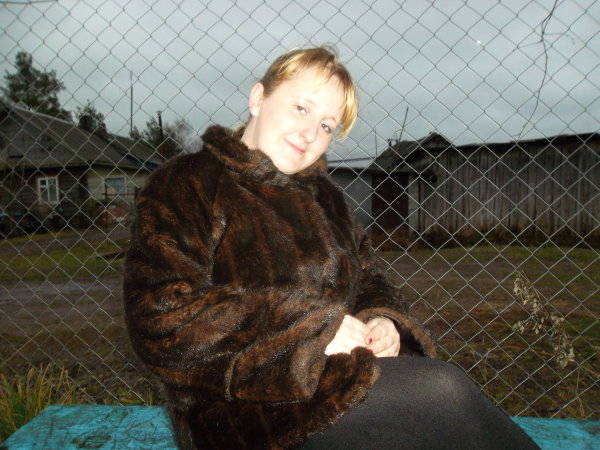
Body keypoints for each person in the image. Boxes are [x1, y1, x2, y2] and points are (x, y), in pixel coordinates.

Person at [123, 46, 538, 449]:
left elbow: (368, 278)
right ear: (258, 98)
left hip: (340, 380)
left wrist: (382, 321)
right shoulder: (188, 184)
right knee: (442, 392)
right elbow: (160, 320)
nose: (310, 134)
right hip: (245, 414)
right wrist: (311, 331)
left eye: (326, 125)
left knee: (441, 399)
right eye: (301, 108)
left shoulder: (328, 199)